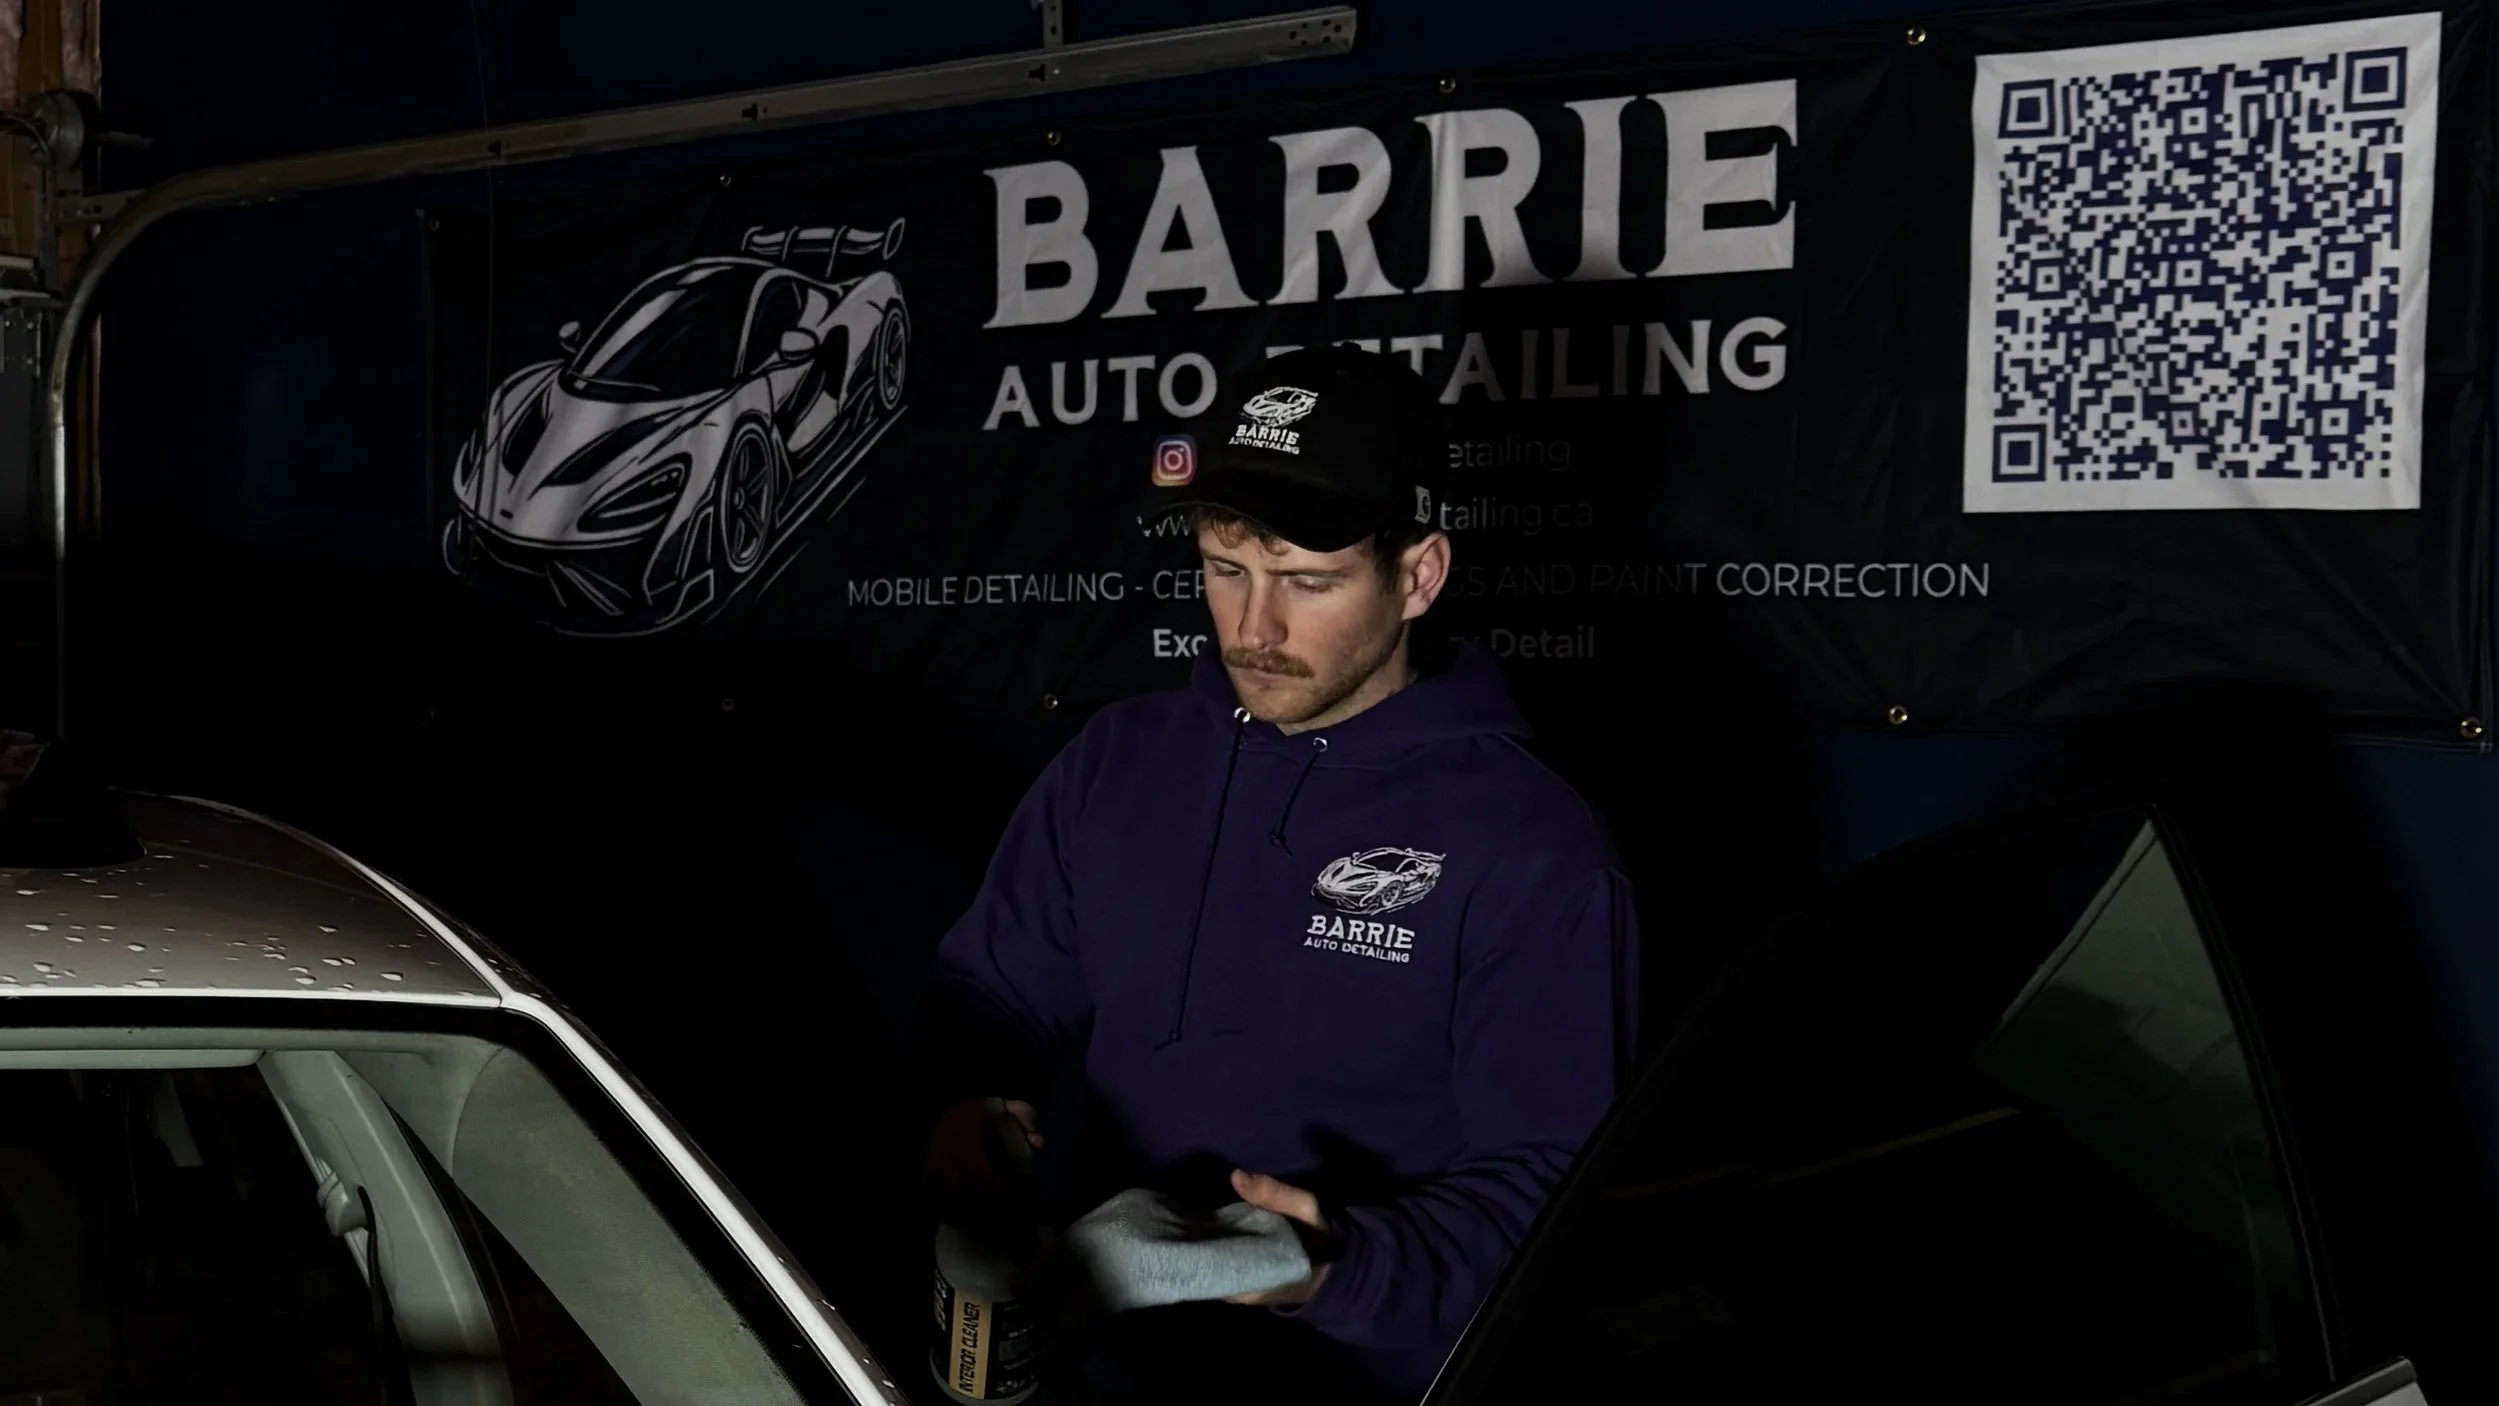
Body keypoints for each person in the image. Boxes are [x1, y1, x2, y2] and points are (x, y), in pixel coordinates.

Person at [918, 345, 1640, 1404]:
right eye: (1226, 568)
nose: (1253, 629)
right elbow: (987, 995)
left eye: (1308, 580)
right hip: (1100, 1360)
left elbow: (1551, 1189)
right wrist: (961, 1104)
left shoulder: (1533, 845)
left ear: (1419, 574)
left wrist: (1328, 1263)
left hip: (1363, 1382)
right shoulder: (1118, 763)